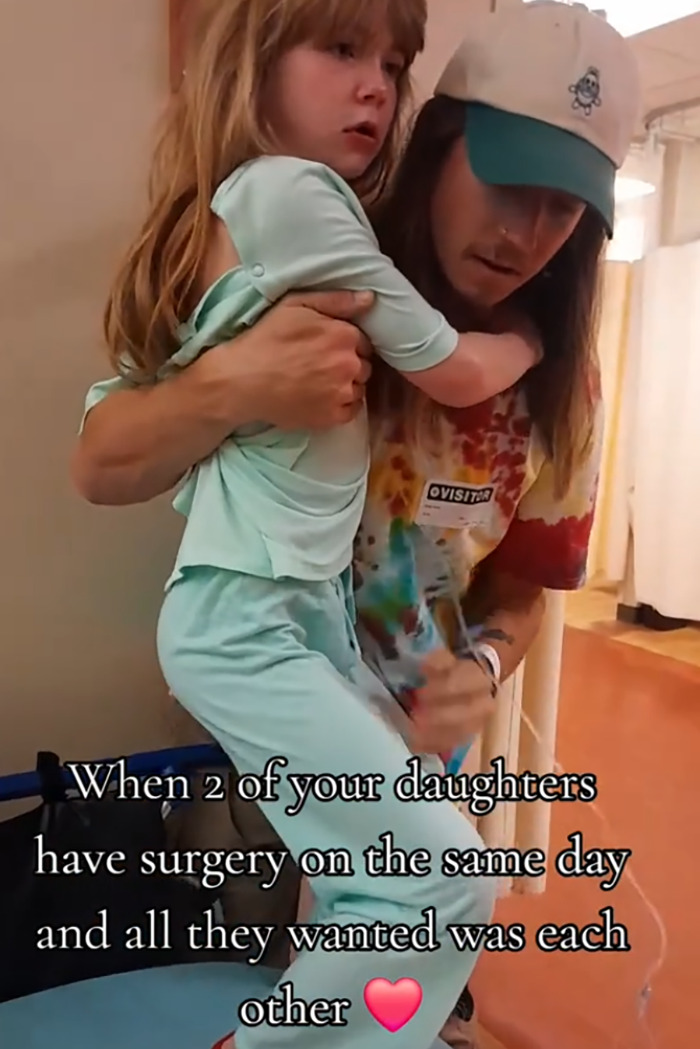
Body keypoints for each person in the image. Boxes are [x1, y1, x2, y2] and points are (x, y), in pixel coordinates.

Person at [71, 4, 641, 1048]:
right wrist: (232, 384)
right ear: (440, 143)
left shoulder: (563, 382)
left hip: (415, 741)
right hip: (275, 701)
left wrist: (482, 660)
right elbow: (101, 458)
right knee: (294, 954)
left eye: (565, 211)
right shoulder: (309, 252)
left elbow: (519, 583)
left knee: (410, 965)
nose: (526, 233)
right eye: (508, 182)